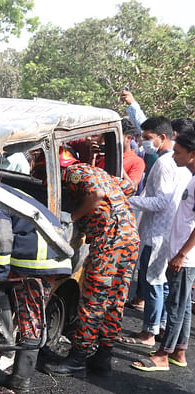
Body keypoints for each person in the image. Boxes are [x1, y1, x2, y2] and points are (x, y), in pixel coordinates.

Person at [43, 160, 139, 376]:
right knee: (115, 300)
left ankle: (77, 358)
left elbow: (95, 195)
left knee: (93, 301)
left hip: (109, 243)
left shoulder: (72, 173)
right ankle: (103, 357)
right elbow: (130, 187)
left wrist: (73, 217)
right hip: (129, 238)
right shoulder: (101, 174)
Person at [0, 184, 73, 392]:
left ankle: (15, 372)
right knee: (32, 316)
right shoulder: (11, 191)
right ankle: (19, 374)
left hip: (35, 262)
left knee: (13, 304)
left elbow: (2, 237)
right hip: (55, 256)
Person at [120, 117, 191, 347]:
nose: (144, 142)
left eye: (148, 138)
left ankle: (149, 333)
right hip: (169, 232)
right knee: (161, 283)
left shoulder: (165, 162)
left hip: (156, 232)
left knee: (152, 282)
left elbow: (161, 202)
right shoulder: (181, 164)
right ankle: (158, 327)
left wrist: (130, 201)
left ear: (162, 137)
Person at [131, 129, 195, 371]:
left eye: (178, 152)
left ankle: (162, 354)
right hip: (179, 249)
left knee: (176, 306)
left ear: (192, 153)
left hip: (184, 254)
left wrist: (181, 254)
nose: (174, 156)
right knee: (184, 304)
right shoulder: (190, 176)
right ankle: (179, 351)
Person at [121, 118, 145, 190]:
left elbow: (132, 188)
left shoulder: (137, 162)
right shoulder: (104, 157)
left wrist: (119, 167)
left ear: (128, 138)